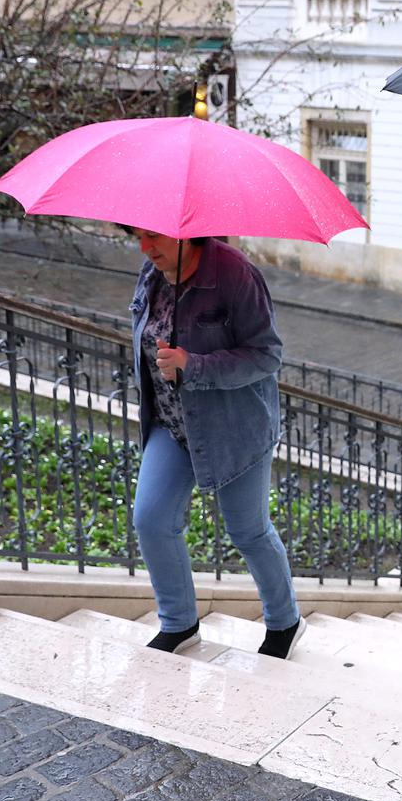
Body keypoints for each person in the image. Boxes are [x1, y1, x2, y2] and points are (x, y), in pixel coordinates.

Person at [126, 228, 304, 660]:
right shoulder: (153, 272)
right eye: (137, 237)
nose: (145, 248)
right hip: (171, 426)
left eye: (153, 237)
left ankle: (285, 621)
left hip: (233, 428)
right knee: (150, 520)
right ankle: (179, 623)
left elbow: (267, 355)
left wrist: (194, 364)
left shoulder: (236, 274)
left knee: (248, 530)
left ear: (187, 232)